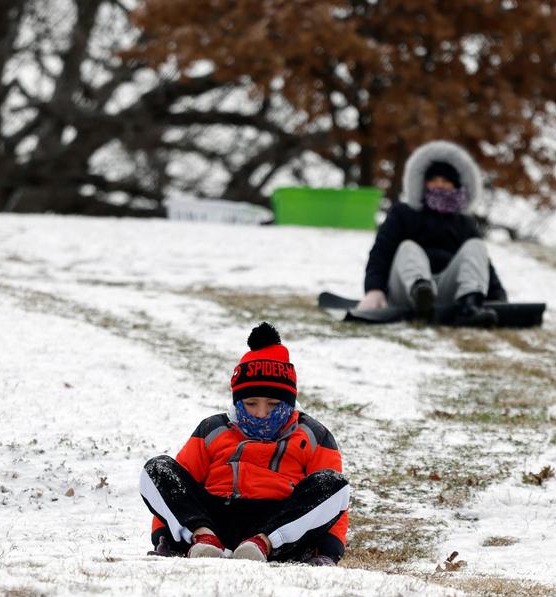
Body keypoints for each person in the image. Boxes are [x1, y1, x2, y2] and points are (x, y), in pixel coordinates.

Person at [139, 322, 350, 565]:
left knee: (335, 484)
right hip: (213, 522)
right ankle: (204, 540)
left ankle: (261, 544)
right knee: (157, 469)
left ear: (290, 401)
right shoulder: (212, 429)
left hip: (277, 527)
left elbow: (333, 505)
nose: (261, 413)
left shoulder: (314, 435)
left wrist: (328, 551)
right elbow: (176, 493)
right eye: (251, 403)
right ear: (238, 401)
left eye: (273, 404)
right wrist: (164, 539)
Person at [357, 140, 508, 327]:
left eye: (445, 181)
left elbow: (480, 263)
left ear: (456, 186)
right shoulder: (403, 214)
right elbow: (381, 253)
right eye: (434, 180)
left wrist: (499, 299)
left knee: (476, 246)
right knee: (408, 247)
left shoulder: (464, 223)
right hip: (405, 289)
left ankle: (470, 304)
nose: (439, 185)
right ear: (424, 183)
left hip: (446, 289)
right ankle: (421, 294)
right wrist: (374, 290)